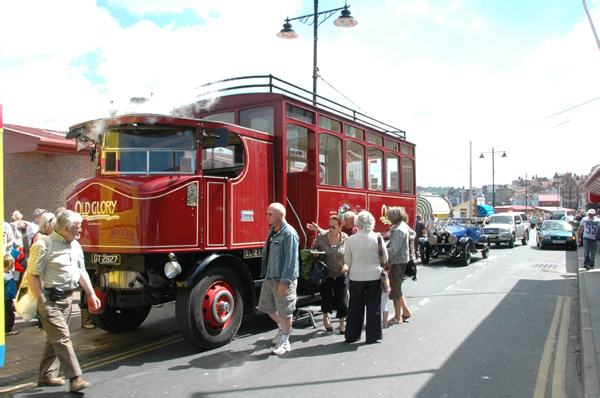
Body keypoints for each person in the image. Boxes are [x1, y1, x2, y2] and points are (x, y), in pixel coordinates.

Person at [26, 210, 100, 392]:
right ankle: (75, 378)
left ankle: (45, 376)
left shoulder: (75, 245)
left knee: (55, 339)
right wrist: (41, 299)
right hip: (49, 300)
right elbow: (32, 275)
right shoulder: (44, 245)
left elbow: (81, 271)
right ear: (65, 228)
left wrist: (91, 294)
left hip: (67, 299)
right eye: (77, 227)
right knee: (63, 338)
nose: (81, 230)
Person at [258, 203, 300, 355]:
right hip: (270, 276)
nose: (267, 216)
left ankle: (285, 341)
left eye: (270, 214)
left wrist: (285, 282)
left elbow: (291, 260)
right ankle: (283, 329)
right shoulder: (272, 231)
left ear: (281, 215)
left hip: (283, 279)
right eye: (267, 213)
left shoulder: (289, 233)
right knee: (266, 307)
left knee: (285, 311)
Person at [343, 210, 387, 344]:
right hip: (374, 275)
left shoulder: (351, 239)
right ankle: (373, 335)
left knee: (355, 307)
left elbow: (347, 259)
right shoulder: (377, 237)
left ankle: (352, 335)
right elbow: (384, 257)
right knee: (374, 307)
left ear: (357, 223)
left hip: (356, 276)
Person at [311, 215, 348, 333]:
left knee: (341, 300)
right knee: (326, 298)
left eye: (334, 227)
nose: (331, 229)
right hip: (325, 274)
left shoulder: (345, 238)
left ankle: (342, 323)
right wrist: (315, 251)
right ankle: (325, 317)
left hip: (340, 273)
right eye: (329, 226)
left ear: (340, 227)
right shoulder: (322, 237)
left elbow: (350, 255)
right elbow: (313, 248)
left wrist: (347, 265)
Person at [385, 207, 412, 324]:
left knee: (395, 289)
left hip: (398, 262)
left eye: (389, 217)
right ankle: (405, 311)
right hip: (401, 260)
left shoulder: (399, 229)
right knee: (398, 288)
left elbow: (394, 249)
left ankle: (397, 317)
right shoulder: (402, 226)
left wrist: (381, 248)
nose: (388, 219)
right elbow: (413, 233)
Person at [5, 255, 19, 335]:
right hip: (7, 298)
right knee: (9, 314)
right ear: (10, 265)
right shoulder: (7, 276)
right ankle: (8, 329)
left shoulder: (6, 274)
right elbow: (11, 289)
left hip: (6, 297)